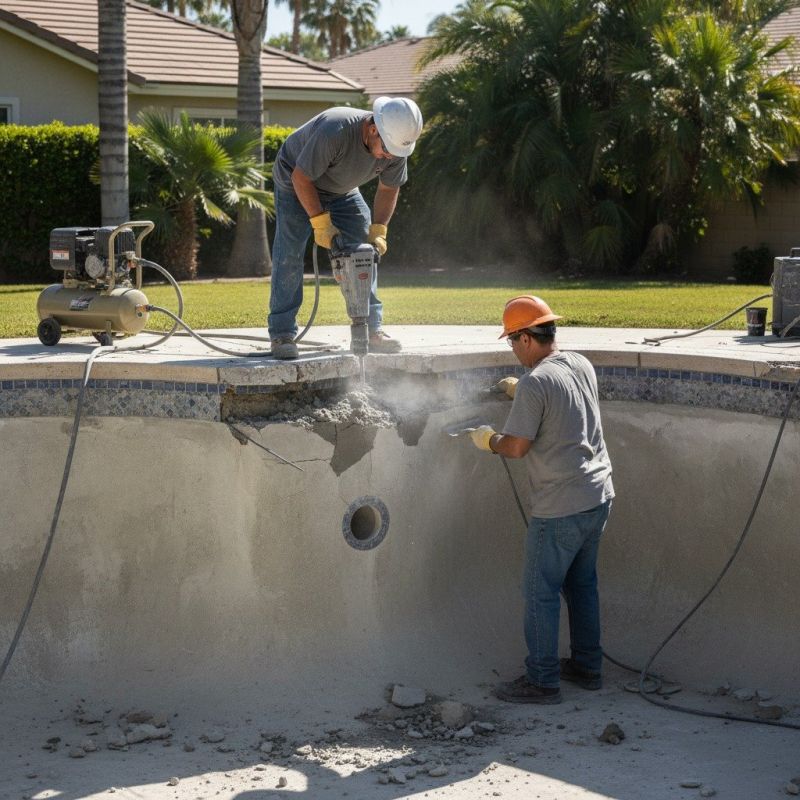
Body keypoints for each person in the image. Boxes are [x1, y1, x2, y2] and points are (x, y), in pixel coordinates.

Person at [470, 295, 614, 704]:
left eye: (512, 342)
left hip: (561, 507)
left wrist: (489, 440)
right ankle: (588, 667)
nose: (512, 350)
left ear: (526, 338)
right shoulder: (579, 363)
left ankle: (542, 681)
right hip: (598, 495)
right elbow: (565, 408)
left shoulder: (536, 383)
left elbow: (516, 448)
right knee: (582, 585)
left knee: (541, 592)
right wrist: (524, 394)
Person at [267, 96, 424, 359]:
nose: (389, 157)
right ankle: (282, 334)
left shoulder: (396, 145)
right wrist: (320, 223)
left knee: (365, 254)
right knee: (290, 254)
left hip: (342, 190)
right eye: (386, 150)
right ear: (373, 129)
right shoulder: (335, 129)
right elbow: (301, 177)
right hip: (295, 180)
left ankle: (370, 331)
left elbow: (388, 188)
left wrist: (379, 229)